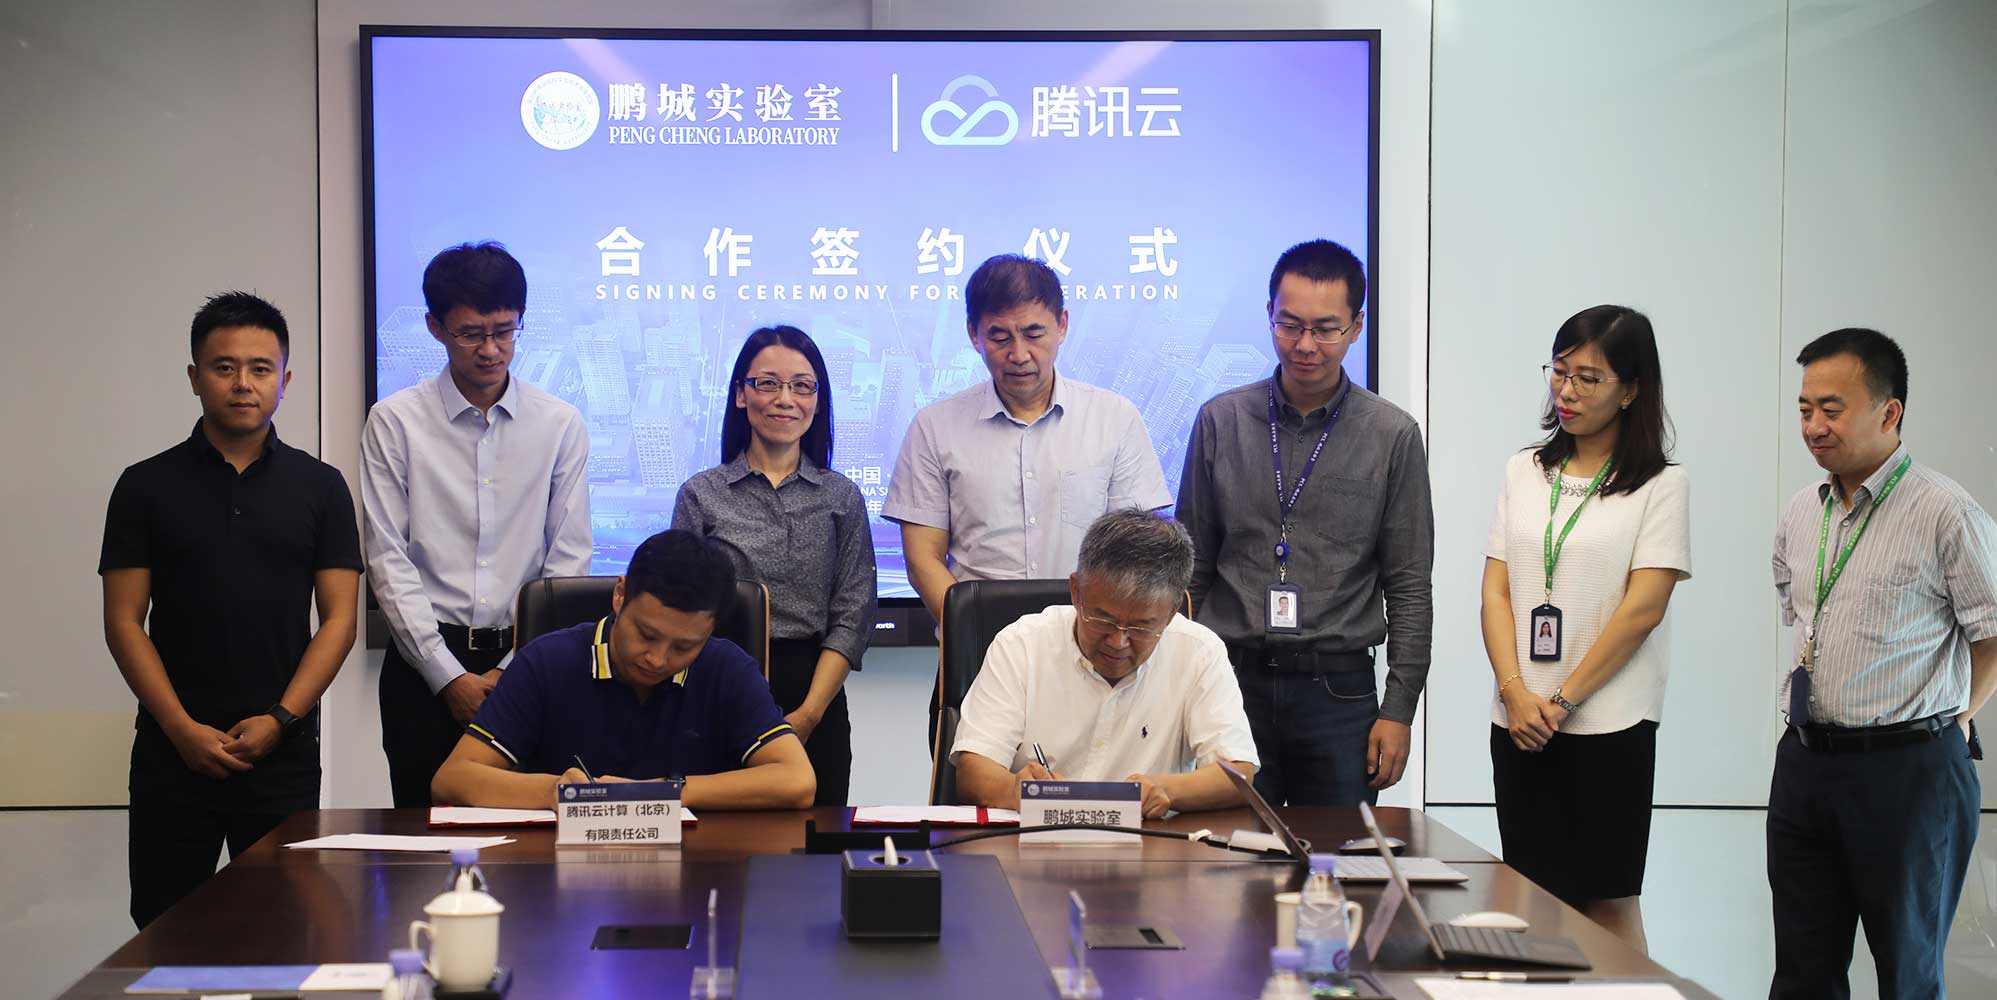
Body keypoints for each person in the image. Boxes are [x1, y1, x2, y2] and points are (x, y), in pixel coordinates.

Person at [100, 292, 363, 927]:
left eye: (260, 368)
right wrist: (180, 728)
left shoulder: (321, 487)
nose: (243, 383)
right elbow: (124, 620)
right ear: (195, 378)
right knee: (165, 934)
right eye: (224, 367)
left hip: (281, 752)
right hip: (171, 752)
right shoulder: (144, 485)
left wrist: (281, 719)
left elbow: (339, 620)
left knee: (286, 931)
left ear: (285, 380)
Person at [1767, 328, 1996, 999]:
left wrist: (1959, 719)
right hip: (1805, 762)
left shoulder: (1945, 511)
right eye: (1804, 408)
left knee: (1907, 976)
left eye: (1830, 409)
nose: (1813, 425)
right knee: (1801, 975)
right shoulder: (1799, 513)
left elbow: (1993, 632)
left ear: (1888, 411)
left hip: (1908, 770)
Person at [1176, 239, 1434, 806]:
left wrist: (1399, 710)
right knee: (1229, 850)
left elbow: (1410, 585)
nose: (1305, 345)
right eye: (1289, 325)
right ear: (1269, 314)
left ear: (1356, 326)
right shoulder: (1221, 420)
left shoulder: (1391, 436)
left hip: (1338, 692)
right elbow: (1190, 571)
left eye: (1325, 328)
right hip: (1231, 681)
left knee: (1338, 855)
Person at [884, 253, 1171, 746]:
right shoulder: (935, 427)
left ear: (1062, 326)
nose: (1018, 354)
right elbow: (922, 559)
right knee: (972, 794)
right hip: (976, 663)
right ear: (974, 334)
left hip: (1096, 662)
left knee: (1095, 791)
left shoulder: (1114, 419)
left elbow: (1138, 553)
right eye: (999, 336)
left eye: (1034, 333)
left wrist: (1104, 633)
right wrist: (976, 636)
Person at [1478, 305, 1690, 952]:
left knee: (1607, 905)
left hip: (1609, 727)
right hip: (1519, 723)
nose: (1566, 391)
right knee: (1531, 901)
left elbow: (1642, 609)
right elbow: (1495, 591)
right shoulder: (1523, 469)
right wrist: (1515, 693)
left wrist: (1563, 700)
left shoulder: (1660, 485)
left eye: (1588, 378)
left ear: (1630, 390)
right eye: (1559, 372)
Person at [362, 242, 593, 807]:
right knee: (421, 835)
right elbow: (387, 557)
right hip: (424, 667)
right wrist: (448, 676)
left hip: (530, 660)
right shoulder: (395, 422)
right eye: (470, 334)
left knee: (532, 833)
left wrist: (514, 670)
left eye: (504, 331)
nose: (491, 350)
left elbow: (568, 561)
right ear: (435, 327)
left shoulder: (559, 424)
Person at [431, 530, 815, 810]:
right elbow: (452, 779)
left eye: (684, 647)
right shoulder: (546, 661)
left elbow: (797, 780)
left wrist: (665, 792)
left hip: (697, 870)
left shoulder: (727, 668)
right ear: (620, 594)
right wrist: (557, 793)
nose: (658, 659)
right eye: (647, 634)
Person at [672, 325, 875, 806]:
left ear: (818, 402)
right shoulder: (701, 494)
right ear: (741, 395)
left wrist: (808, 714)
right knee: (716, 839)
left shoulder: (841, 497)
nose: (785, 399)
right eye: (767, 383)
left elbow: (853, 614)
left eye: (802, 386)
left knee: (817, 840)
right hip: (716, 685)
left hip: (814, 689)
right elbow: (676, 607)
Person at [951, 509, 1259, 817]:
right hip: (1036, 837)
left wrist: (1166, 789)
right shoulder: (1021, 644)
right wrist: (1017, 791)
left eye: (1141, 627)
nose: (1118, 642)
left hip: (1150, 841)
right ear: (1076, 592)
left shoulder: (1199, 652)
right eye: (1103, 620)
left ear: (1171, 612)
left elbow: (1238, 775)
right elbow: (973, 772)